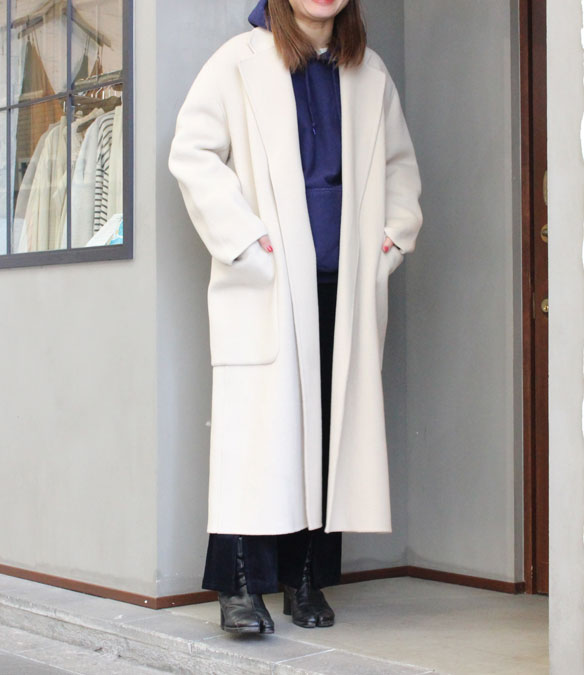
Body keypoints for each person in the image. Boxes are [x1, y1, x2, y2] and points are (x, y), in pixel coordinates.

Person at [168, 0, 422, 634]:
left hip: (343, 283)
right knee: (255, 437)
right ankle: (240, 587)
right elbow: (193, 153)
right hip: (271, 283)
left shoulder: (370, 72)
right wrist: (245, 241)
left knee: (328, 433)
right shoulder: (237, 61)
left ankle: (306, 578)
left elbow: (399, 166)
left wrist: (391, 238)